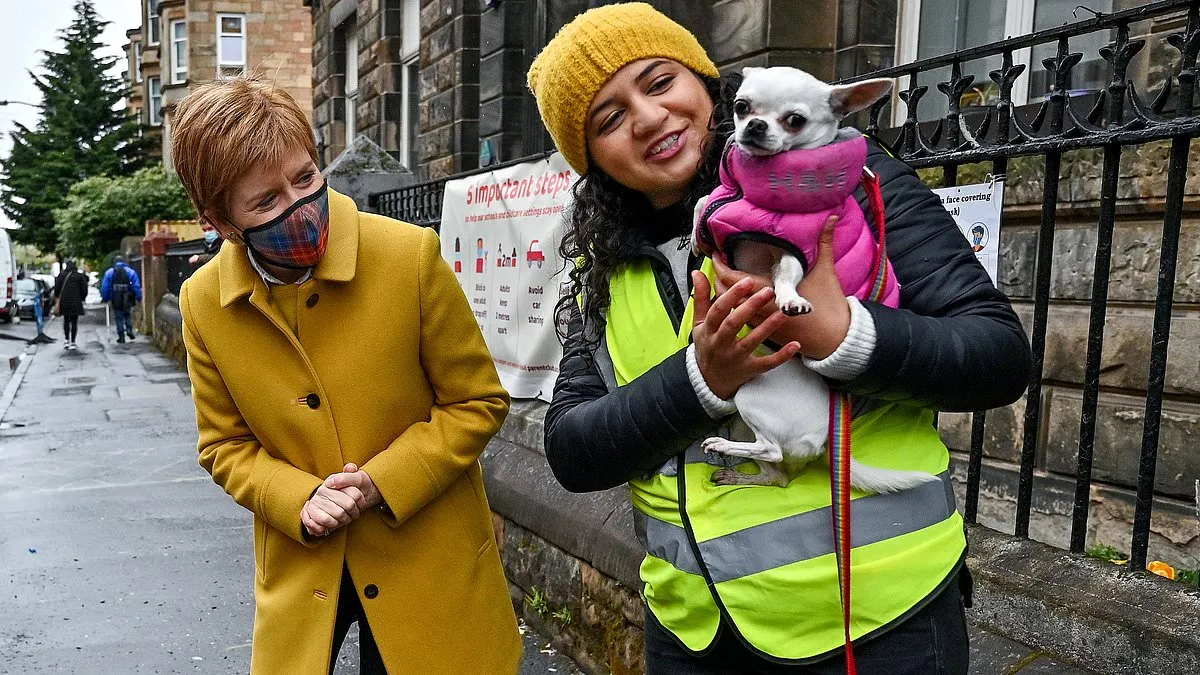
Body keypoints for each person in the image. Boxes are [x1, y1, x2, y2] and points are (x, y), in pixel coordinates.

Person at [528, 4, 1032, 673]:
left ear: (708, 86)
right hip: (695, 635)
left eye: (658, 83)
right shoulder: (604, 272)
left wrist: (846, 337)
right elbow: (571, 450)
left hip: (877, 624)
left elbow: (996, 355)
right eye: (609, 118)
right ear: (589, 156)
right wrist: (701, 382)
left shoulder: (848, 185)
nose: (648, 118)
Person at [171, 77, 520, 674]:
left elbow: (477, 401)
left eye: (305, 179)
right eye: (265, 203)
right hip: (304, 565)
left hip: (428, 556)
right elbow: (224, 446)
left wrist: (383, 481)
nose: (299, 208)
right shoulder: (202, 302)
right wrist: (298, 498)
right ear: (219, 221)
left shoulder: (410, 256)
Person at [99, 255, 142, 343]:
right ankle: (129, 330)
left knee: (118, 316)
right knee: (127, 313)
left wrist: (105, 297)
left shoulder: (110, 272)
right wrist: (138, 297)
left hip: (116, 296)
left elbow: (105, 287)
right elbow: (136, 286)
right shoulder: (131, 272)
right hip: (127, 296)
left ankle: (121, 335)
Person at [54, 260, 89, 350]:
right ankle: (73, 342)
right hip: (76, 302)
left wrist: (58, 297)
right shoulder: (79, 276)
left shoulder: (61, 276)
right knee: (74, 322)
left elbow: (57, 289)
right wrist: (82, 298)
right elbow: (84, 289)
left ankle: (66, 340)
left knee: (66, 320)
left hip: (64, 302)